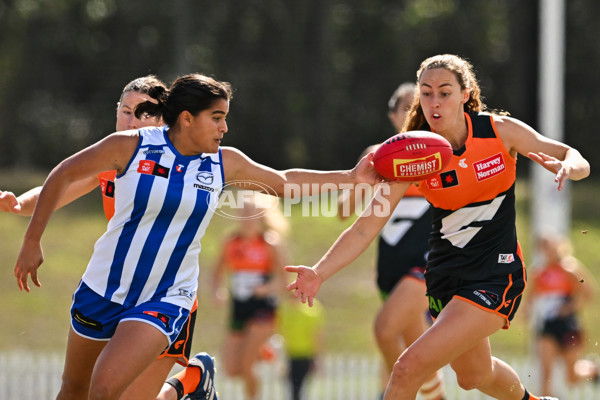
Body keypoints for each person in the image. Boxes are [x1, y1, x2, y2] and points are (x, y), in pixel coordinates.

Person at [13, 73, 380, 400]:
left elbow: (284, 182)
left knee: (105, 390)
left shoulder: (224, 161)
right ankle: (188, 384)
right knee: (74, 391)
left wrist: (352, 176)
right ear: (187, 119)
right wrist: (32, 241)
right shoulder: (131, 146)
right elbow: (62, 174)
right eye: (217, 118)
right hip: (103, 287)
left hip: (168, 295)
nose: (224, 129)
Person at [286, 54, 590, 400]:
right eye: (426, 93)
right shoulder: (414, 154)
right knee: (474, 374)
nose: (434, 101)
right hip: (446, 276)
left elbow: (570, 154)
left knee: (406, 368)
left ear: (466, 93)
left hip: (494, 273)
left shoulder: (498, 132)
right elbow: (364, 227)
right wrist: (319, 272)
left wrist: (570, 166)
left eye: (444, 92)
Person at [2, 75, 211, 400]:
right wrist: (19, 205)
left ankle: (189, 382)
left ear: (163, 120)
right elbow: (59, 187)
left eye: (143, 112)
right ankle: (190, 386)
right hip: (118, 289)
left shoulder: (180, 160)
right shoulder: (112, 158)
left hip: (166, 295)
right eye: (125, 110)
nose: (130, 119)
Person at [337, 82, 445, 400]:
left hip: (427, 262)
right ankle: (434, 396)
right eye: (406, 108)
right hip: (390, 267)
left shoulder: (440, 154)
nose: (414, 114)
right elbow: (345, 211)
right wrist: (364, 183)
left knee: (385, 330)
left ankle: (399, 391)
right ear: (392, 116)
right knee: (414, 351)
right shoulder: (376, 155)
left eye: (419, 107)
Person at [210, 191, 288, 400]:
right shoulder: (231, 241)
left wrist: (265, 288)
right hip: (238, 307)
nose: (245, 216)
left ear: (260, 215)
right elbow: (216, 272)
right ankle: (267, 351)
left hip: (262, 308)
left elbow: (284, 281)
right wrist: (217, 292)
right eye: (242, 211)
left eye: (250, 211)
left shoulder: (269, 243)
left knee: (246, 365)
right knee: (232, 368)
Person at [524, 233, 598, 396]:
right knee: (546, 373)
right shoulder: (539, 272)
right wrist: (526, 311)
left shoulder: (570, 268)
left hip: (568, 325)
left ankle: (592, 370)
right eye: (543, 247)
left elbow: (588, 292)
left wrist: (568, 308)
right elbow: (532, 297)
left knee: (571, 377)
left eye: (549, 245)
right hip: (548, 325)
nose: (547, 250)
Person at [277, 290, 325, 400]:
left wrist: (317, 357)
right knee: (293, 388)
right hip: (290, 354)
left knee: (298, 388)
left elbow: (317, 335)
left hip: (305, 354)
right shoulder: (284, 310)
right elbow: (279, 334)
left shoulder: (311, 310)